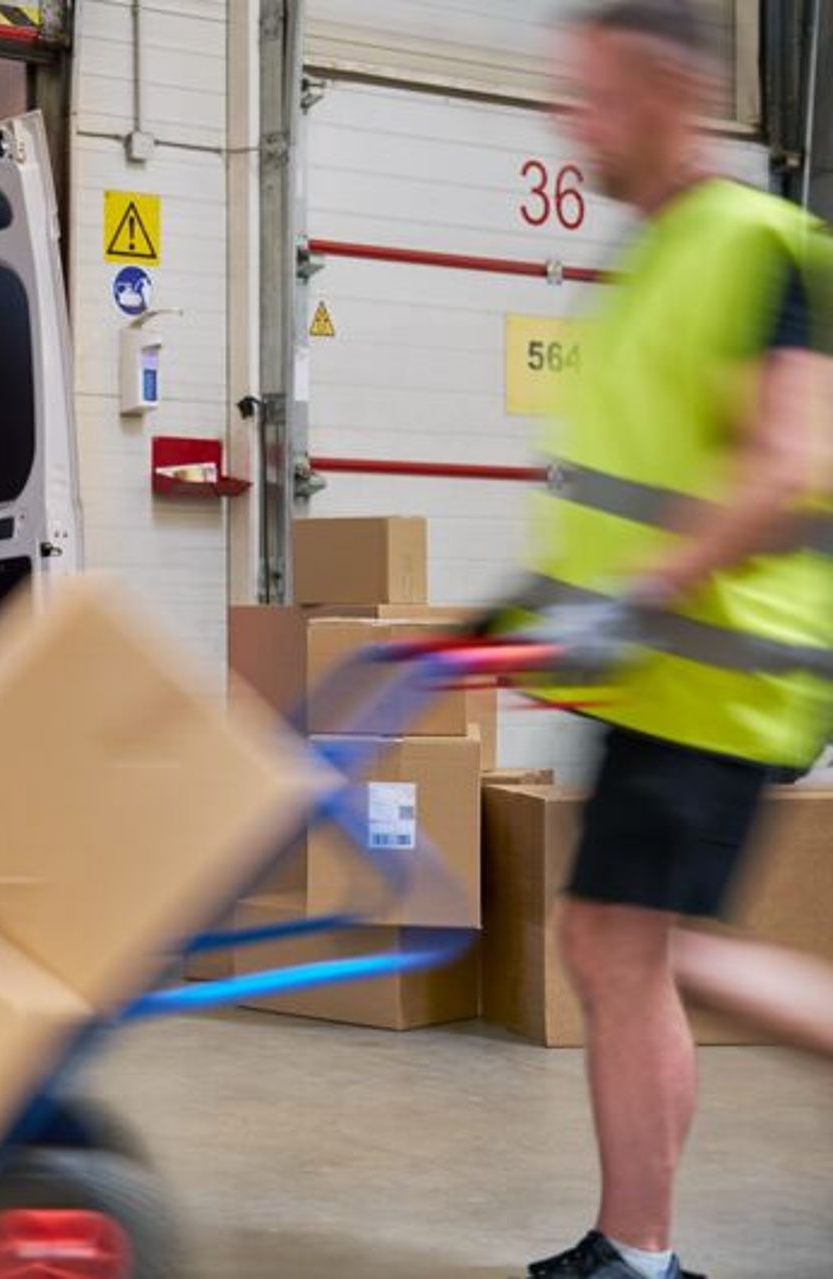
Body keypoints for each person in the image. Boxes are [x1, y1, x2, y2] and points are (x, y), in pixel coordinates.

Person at [497, 3, 833, 1277]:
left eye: (589, 99)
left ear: (661, 96)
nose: (571, 126)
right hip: (663, 670)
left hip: (723, 672)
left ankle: (636, 1256)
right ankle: (631, 1245)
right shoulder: (658, 256)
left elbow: (786, 471)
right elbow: (628, 484)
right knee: (625, 949)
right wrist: (529, 606)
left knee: (632, 947)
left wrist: (627, 602)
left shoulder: (759, 244)